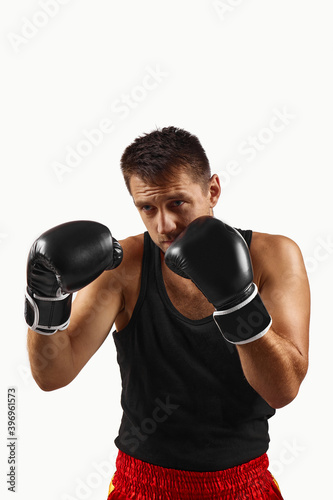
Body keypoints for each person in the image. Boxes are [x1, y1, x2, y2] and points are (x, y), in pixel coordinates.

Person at [25, 126, 310, 499]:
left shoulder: (273, 256)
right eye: (148, 208)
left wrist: (238, 301)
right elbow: (53, 374)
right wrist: (45, 300)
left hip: (244, 483)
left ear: (213, 191)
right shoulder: (122, 266)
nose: (165, 226)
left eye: (177, 203)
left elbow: (282, 390)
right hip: (142, 484)